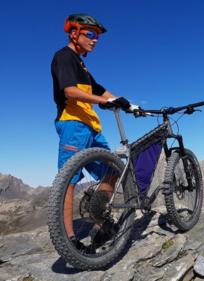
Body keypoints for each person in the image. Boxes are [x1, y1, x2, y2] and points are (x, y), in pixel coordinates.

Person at [51, 13, 135, 249]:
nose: (95, 39)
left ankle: (100, 222)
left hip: (91, 127)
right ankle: (69, 240)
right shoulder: (64, 57)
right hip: (73, 124)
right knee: (68, 180)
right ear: (74, 33)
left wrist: (124, 103)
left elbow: (99, 89)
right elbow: (70, 91)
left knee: (113, 170)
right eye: (90, 34)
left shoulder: (81, 65)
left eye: (97, 36)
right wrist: (102, 101)